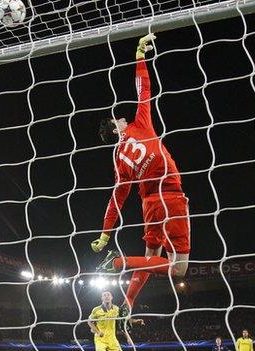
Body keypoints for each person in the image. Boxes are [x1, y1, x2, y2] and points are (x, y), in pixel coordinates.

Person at [91, 33, 191, 313]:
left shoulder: (119, 160)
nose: (120, 117)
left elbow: (117, 199)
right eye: (116, 120)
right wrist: (139, 56)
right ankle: (120, 262)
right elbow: (143, 89)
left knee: (152, 256)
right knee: (178, 268)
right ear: (116, 130)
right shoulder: (139, 124)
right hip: (170, 197)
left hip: (149, 205)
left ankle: (129, 301)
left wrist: (105, 234)